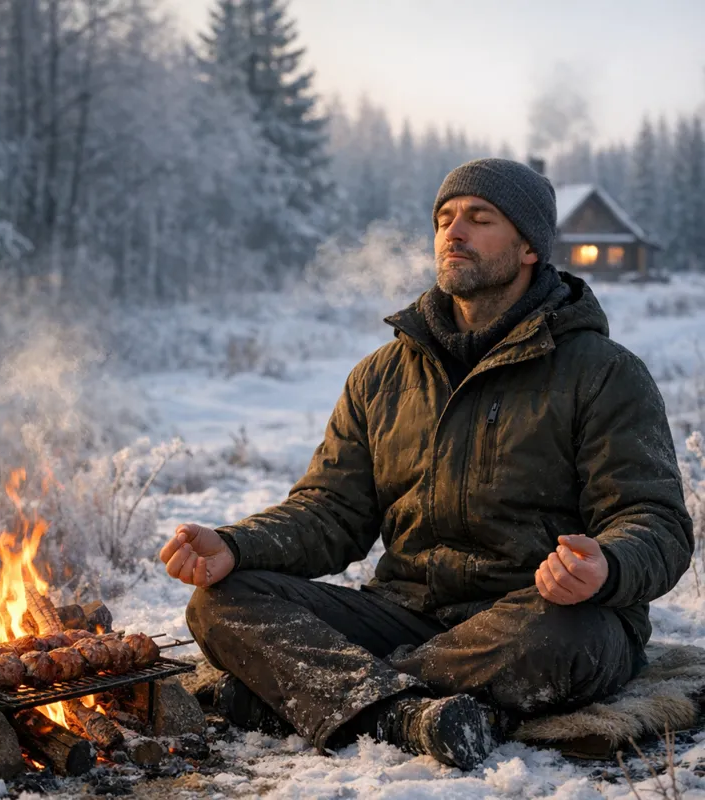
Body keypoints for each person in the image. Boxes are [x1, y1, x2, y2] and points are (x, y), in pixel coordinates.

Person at [159, 158, 694, 770]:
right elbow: (330, 511)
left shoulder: (603, 373)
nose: (453, 233)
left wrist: (607, 565)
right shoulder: (380, 376)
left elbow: (655, 520)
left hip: (532, 618)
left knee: (576, 636)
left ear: (529, 248)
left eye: (479, 219)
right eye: (444, 219)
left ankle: (329, 696)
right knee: (220, 602)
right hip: (407, 612)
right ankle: (406, 713)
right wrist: (236, 545)